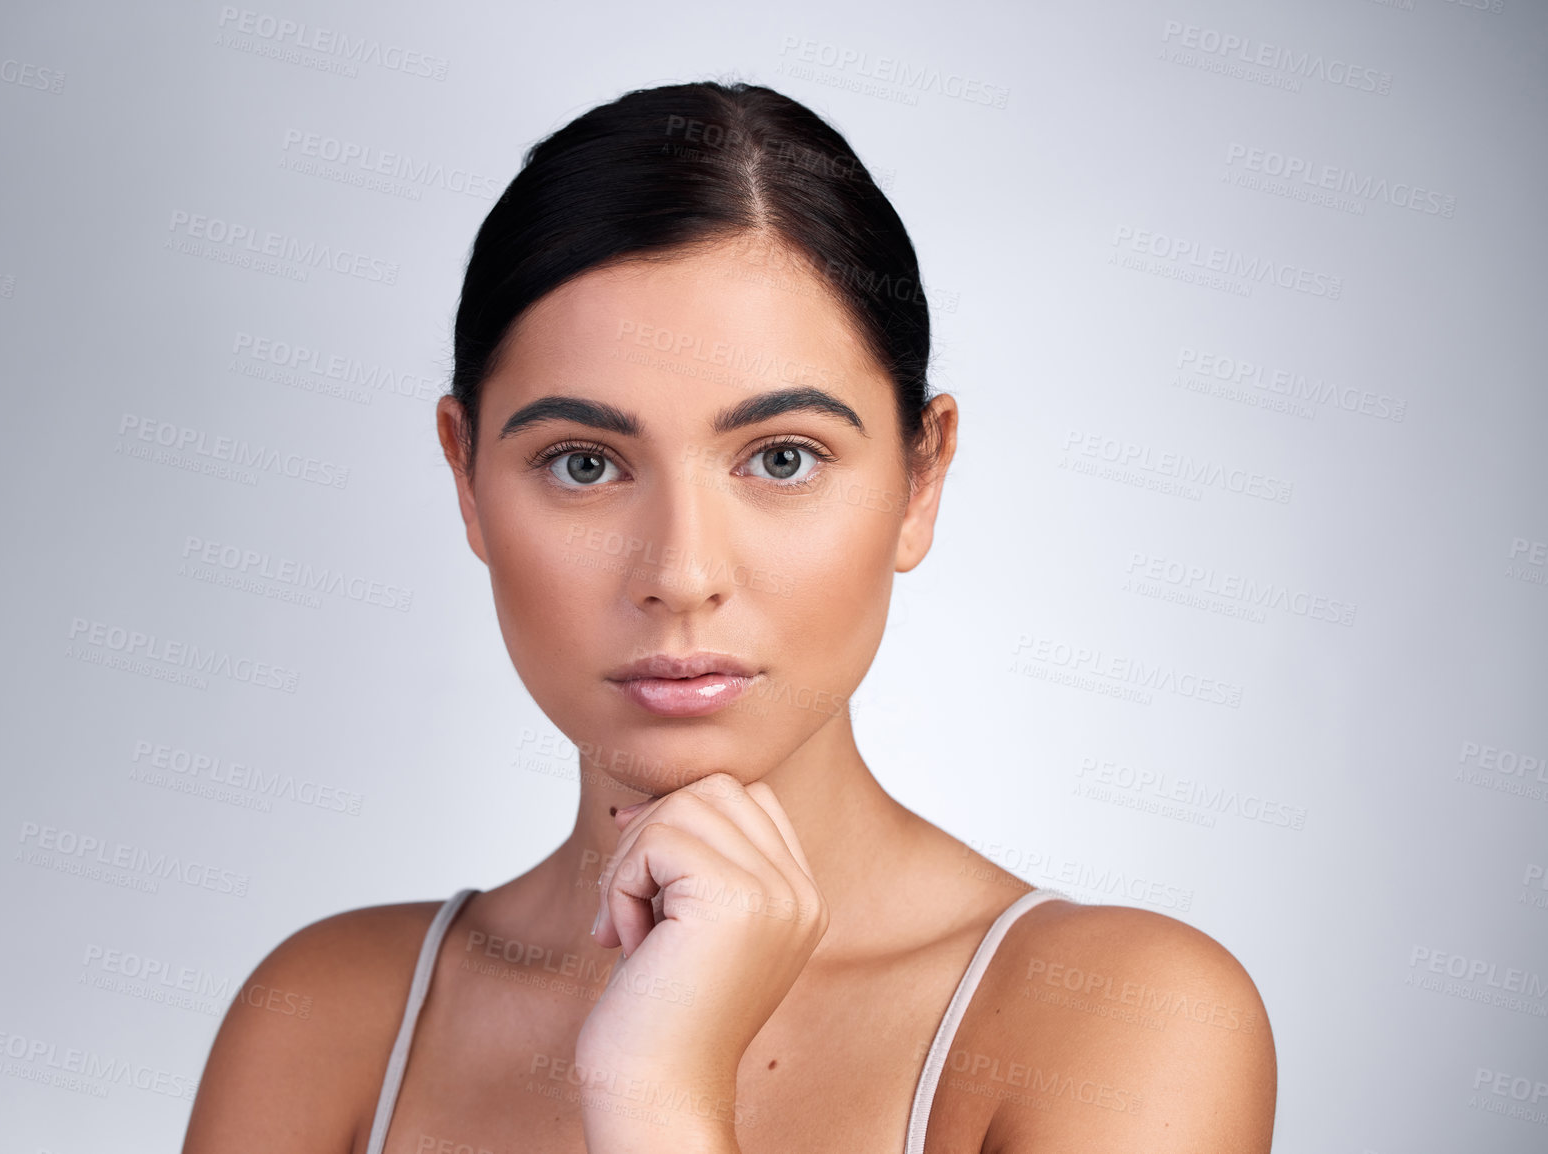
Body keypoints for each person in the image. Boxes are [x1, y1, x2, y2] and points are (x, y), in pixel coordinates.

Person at [183, 80, 1276, 1154]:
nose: (682, 571)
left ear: (920, 478)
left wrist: (658, 1093)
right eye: (583, 463)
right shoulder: (328, 1017)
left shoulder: (1121, 1020)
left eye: (782, 457)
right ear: (467, 479)